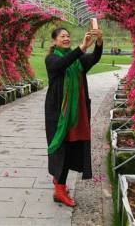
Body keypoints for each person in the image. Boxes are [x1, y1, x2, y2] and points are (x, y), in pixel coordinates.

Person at [44, 27, 103, 207]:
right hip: (58, 113)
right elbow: (61, 65)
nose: (66, 38)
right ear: (54, 41)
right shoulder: (51, 58)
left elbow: (94, 58)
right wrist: (81, 48)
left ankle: (59, 184)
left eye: (68, 36)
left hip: (76, 113)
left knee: (71, 147)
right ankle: (59, 190)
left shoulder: (78, 60)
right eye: (62, 36)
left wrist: (98, 42)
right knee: (61, 148)